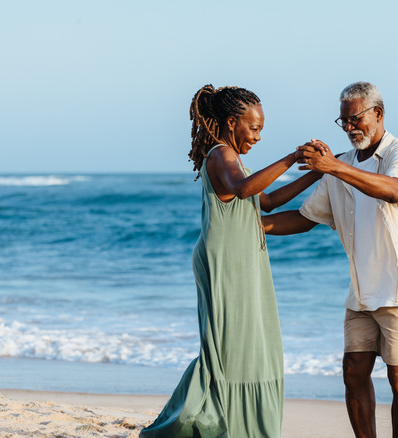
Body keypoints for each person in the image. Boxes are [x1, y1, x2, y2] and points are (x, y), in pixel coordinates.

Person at [140, 85, 321, 438]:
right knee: (227, 350)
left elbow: (265, 201)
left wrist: (316, 172)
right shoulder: (221, 155)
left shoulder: (234, 161)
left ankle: (241, 426)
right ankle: (212, 425)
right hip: (225, 264)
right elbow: (244, 190)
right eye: (253, 128)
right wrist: (290, 157)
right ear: (230, 121)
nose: (256, 136)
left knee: (249, 344)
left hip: (242, 261)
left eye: (261, 131)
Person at [263, 81, 398, 438]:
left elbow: (393, 190)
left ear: (378, 114)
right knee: (353, 372)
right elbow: (306, 217)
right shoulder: (339, 166)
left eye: (355, 119)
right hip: (362, 291)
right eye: (343, 121)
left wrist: (333, 167)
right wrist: (250, 228)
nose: (349, 128)